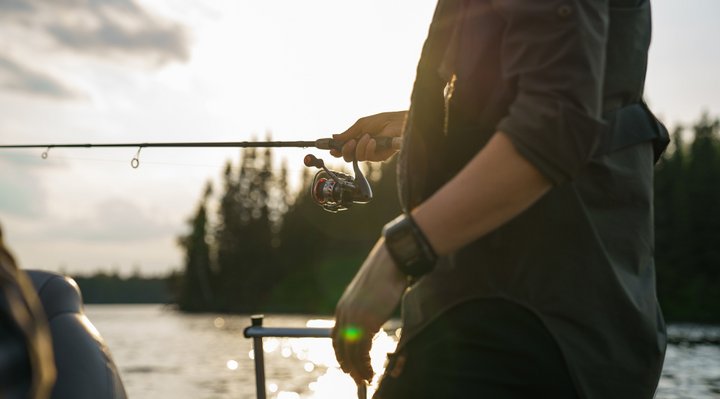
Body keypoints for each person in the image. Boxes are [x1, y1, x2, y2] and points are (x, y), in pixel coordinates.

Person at [330, 0, 668, 398]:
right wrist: (420, 123)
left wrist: (398, 253)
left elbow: (555, 125)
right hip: (556, 325)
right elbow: (562, 93)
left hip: (517, 323)